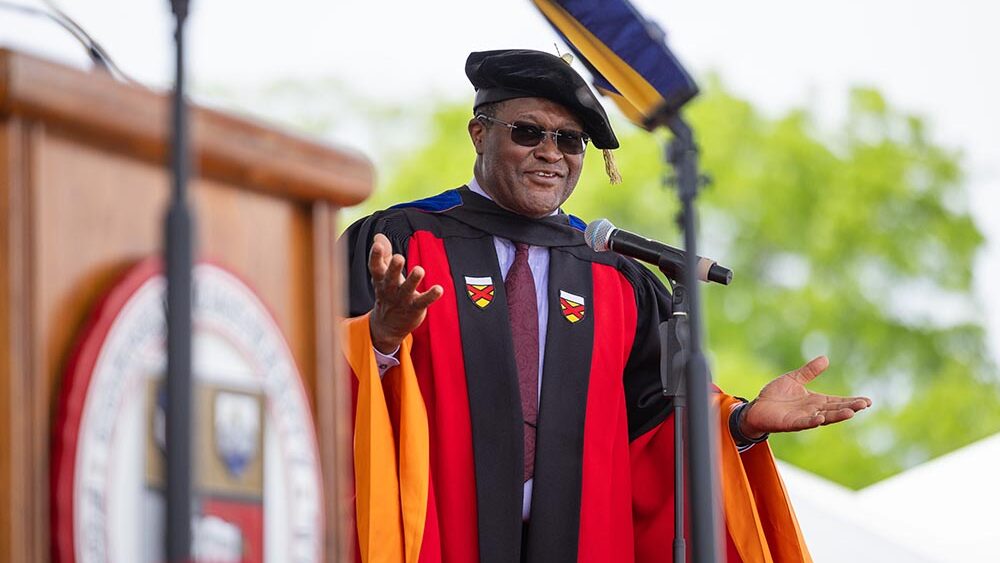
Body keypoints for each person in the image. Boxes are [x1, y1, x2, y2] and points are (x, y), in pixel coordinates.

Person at [340, 49, 871, 563]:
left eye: (571, 141)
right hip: (435, 537)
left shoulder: (618, 279)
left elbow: (658, 424)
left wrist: (742, 422)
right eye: (528, 132)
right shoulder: (401, 241)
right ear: (479, 133)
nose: (551, 153)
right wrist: (378, 338)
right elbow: (313, 382)